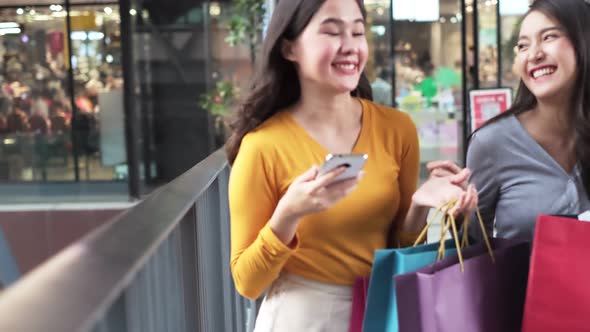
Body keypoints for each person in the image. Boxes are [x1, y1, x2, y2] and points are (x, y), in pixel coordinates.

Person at [226, 0, 478, 331]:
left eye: (358, 32)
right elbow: (248, 283)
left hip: (382, 309)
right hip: (303, 318)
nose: (350, 47)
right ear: (289, 48)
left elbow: (400, 248)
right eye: (331, 32)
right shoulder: (262, 146)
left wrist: (423, 205)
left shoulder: (396, 129)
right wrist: (288, 215)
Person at [429, 0, 590, 242]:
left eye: (549, 37)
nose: (534, 54)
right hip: (521, 281)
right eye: (523, 45)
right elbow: (472, 247)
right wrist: (462, 212)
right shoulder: (492, 142)